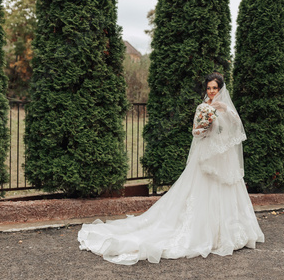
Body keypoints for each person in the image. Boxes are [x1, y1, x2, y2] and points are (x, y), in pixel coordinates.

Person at [78, 72, 264, 265]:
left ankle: (228, 233)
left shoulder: (226, 109)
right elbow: (196, 132)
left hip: (223, 160)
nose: (211, 91)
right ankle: (204, 234)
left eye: (214, 88)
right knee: (202, 195)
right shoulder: (203, 108)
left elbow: (236, 127)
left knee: (227, 193)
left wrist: (225, 109)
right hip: (206, 159)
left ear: (221, 89)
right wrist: (205, 126)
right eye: (208, 88)